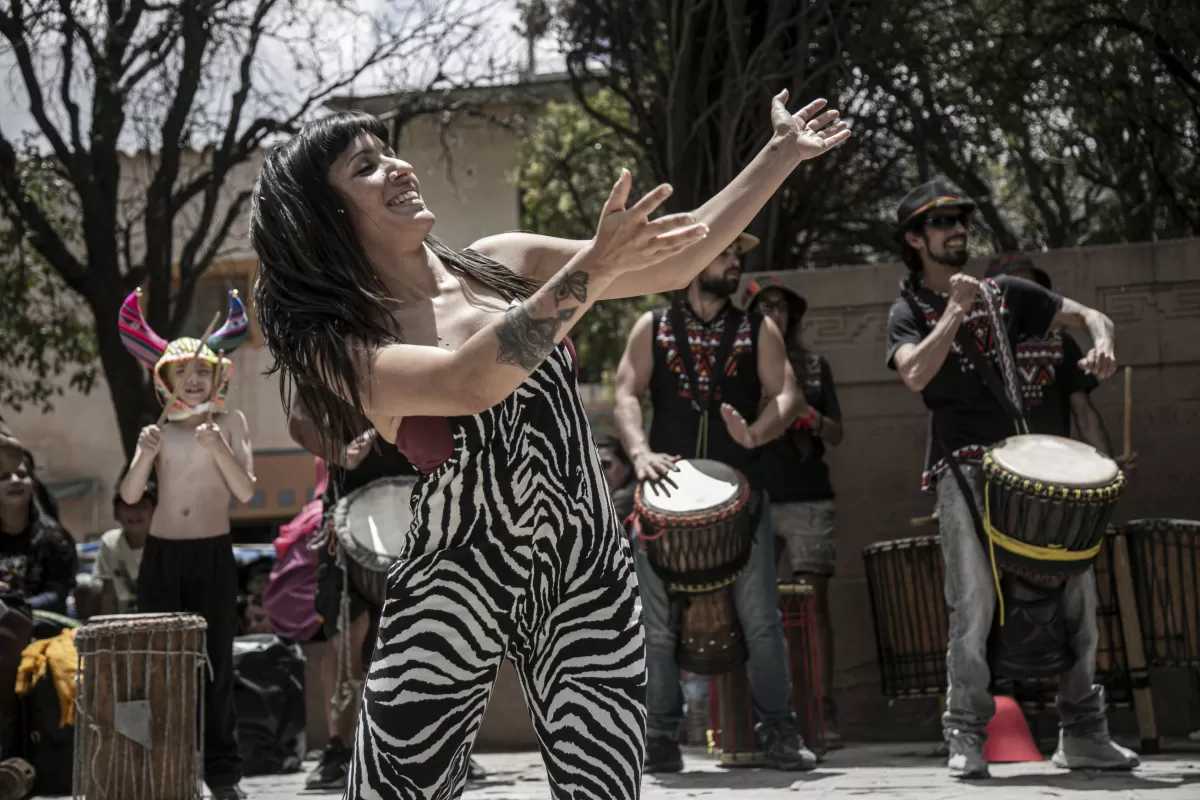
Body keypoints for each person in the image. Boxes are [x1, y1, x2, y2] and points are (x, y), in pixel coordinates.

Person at [249, 91, 848, 798]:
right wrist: (593, 268)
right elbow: (469, 381)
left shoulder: (501, 263)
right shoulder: (341, 343)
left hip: (584, 570)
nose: (400, 169)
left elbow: (679, 258)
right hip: (455, 575)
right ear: (330, 215)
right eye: (366, 167)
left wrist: (779, 154)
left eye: (390, 153)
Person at [885, 179, 1140, 779]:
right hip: (962, 469)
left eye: (961, 220)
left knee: (1078, 593)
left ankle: (1082, 732)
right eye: (942, 221)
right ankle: (967, 736)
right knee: (971, 603)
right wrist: (953, 312)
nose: (957, 230)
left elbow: (1089, 315)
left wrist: (1101, 342)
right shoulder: (908, 312)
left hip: (1030, 468)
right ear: (915, 238)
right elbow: (916, 375)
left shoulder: (1010, 294)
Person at [614, 229, 824, 772]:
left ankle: (779, 731)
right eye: (725, 251)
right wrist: (638, 453)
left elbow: (787, 394)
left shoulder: (758, 327)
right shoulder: (652, 326)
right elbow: (625, 392)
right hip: (662, 495)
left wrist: (759, 430)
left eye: (738, 253)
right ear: (692, 261)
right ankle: (659, 735)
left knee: (761, 620)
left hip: (741, 491)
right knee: (655, 624)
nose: (735, 260)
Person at [117, 290, 254, 800]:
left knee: (217, 664)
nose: (194, 379)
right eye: (183, 373)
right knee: (161, 667)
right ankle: (164, 772)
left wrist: (217, 445)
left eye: (203, 371)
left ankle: (223, 776)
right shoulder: (157, 433)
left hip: (214, 554)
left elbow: (244, 491)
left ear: (218, 378)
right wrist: (142, 456)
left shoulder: (231, 424)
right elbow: (131, 496)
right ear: (166, 382)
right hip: (163, 556)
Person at [742, 275, 845, 749]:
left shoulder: (815, 365)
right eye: (765, 307)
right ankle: (761, 715)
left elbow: (838, 434)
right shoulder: (741, 365)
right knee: (755, 610)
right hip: (757, 494)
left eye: (782, 307)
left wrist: (810, 418)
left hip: (807, 493)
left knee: (816, 604)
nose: (775, 314)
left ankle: (823, 710)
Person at [984, 254, 1134, 471]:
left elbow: (1084, 413)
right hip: (994, 466)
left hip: (1051, 469)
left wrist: (1108, 468)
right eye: (1014, 287)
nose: (1023, 295)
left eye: (1030, 287)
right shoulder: (975, 342)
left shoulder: (1059, 344)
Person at [0, 450, 77, 615]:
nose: (15, 481)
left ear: (32, 482)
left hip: (43, 629)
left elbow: (56, 596)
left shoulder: (55, 538)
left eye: (22, 474)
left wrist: (13, 605)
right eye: (4, 477)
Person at [94, 468, 156, 615]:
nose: (134, 512)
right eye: (127, 506)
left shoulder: (167, 544)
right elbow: (108, 593)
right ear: (115, 513)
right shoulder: (110, 543)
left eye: (142, 505)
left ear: (155, 511)